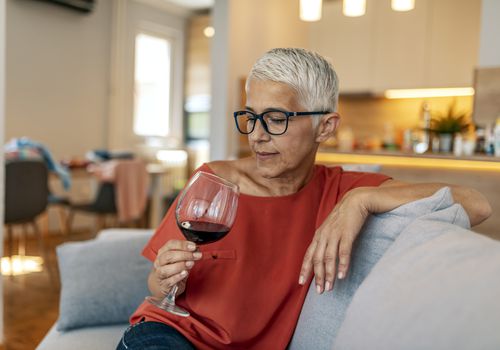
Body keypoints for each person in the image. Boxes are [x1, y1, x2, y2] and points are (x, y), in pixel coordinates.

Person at [117, 48, 491, 350]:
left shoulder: (342, 190)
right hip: (170, 336)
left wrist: (359, 200)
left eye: (276, 118)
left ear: (325, 127)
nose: (258, 136)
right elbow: (157, 289)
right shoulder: (214, 180)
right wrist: (166, 280)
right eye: (251, 117)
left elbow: (476, 203)